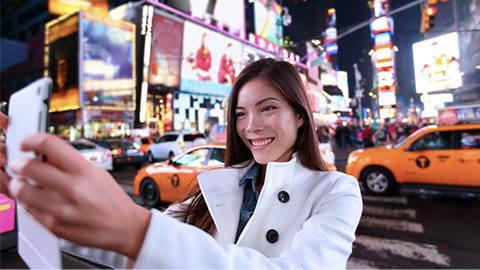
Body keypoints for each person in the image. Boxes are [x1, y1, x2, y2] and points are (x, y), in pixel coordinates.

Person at [0, 59, 362, 269]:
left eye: (267, 108)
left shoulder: (336, 191)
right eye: (240, 113)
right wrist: (38, 196)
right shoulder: (215, 185)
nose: (251, 126)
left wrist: (137, 229)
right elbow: (123, 244)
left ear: (300, 116)